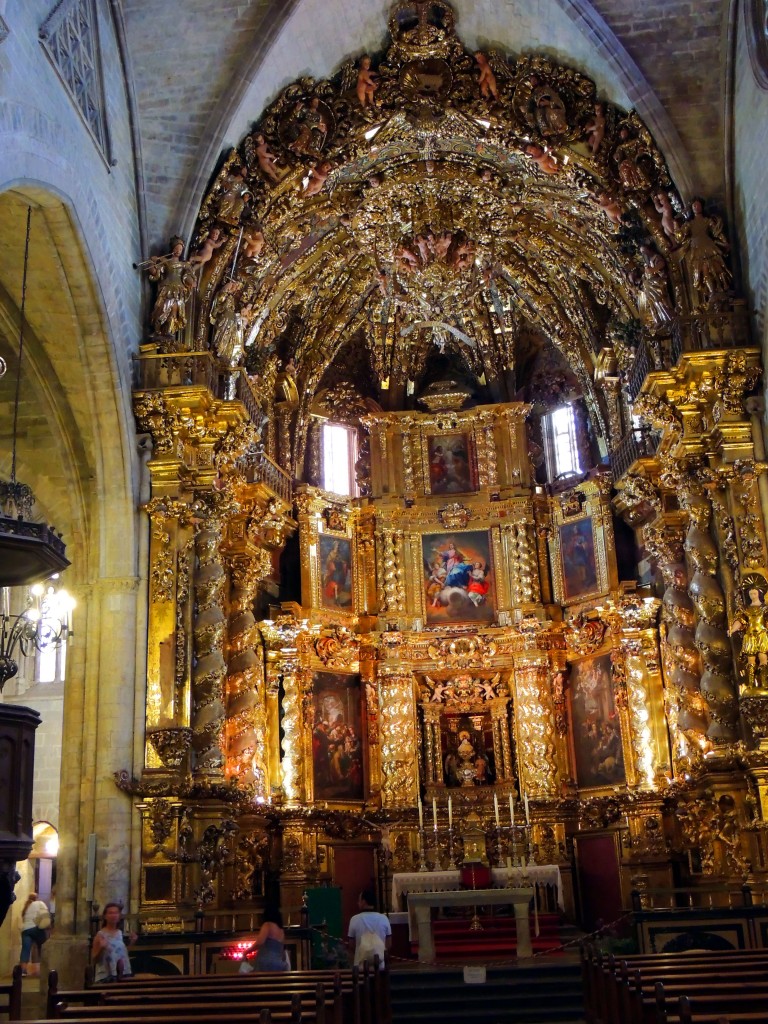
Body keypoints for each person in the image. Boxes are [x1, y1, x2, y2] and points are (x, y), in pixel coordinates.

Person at [91, 903, 136, 983]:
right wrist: (101, 948)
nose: (114, 915)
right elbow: (94, 960)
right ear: (105, 916)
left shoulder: (120, 933)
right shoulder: (100, 935)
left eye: (116, 913)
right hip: (107, 976)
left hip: (123, 974)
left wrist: (132, 942)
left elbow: (122, 954)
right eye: (110, 913)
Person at [347, 889, 391, 968]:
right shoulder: (384, 918)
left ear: (363, 902)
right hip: (380, 965)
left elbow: (351, 945)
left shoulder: (354, 919)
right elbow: (389, 944)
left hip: (360, 966)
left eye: (359, 900)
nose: (358, 903)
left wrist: (362, 953)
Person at [240, 907, 289, 972]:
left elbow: (260, 942)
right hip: (279, 965)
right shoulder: (281, 930)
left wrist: (247, 951)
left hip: (266, 963)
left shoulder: (267, 925)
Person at [18, 892, 50, 976]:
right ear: (36, 898)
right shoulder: (40, 903)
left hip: (25, 930)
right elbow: (46, 915)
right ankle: (45, 968)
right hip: (36, 928)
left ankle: (23, 971)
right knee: (43, 947)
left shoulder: (26, 907)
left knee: (25, 950)